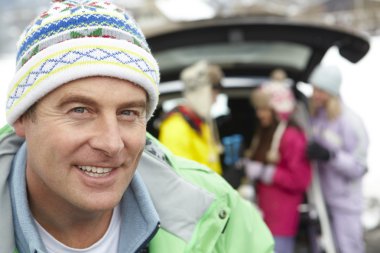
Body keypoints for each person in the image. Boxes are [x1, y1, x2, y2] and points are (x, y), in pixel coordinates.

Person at [0, 1, 276, 252]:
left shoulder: (220, 212)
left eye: (128, 113)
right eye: (80, 110)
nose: (112, 143)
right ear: (22, 117)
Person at [242, 72, 312, 253]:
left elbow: (300, 180)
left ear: (277, 110)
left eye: (264, 109)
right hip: (265, 215)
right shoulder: (266, 132)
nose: (259, 114)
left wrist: (267, 173)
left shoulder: (292, 136)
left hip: (281, 220)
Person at [306, 64, 369, 253]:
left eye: (321, 90)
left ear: (332, 91)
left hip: (346, 202)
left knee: (348, 247)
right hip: (322, 197)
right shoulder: (317, 117)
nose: (315, 94)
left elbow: (359, 166)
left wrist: (331, 156)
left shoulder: (349, 122)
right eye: (314, 89)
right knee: (326, 246)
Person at [158, 60, 224, 174]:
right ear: (202, 94)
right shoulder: (175, 128)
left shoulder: (202, 125)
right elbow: (183, 176)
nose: (215, 100)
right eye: (213, 94)